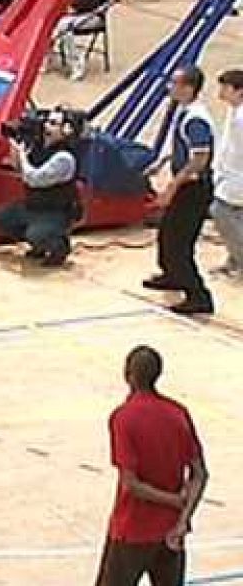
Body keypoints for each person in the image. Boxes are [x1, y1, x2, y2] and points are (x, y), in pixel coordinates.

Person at [95, 345, 207, 586]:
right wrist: (182, 518)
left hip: (132, 530)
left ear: (128, 375)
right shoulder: (178, 413)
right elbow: (200, 474)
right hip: (170, 533)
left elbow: (131, 485)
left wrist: (173, 500)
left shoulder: (124, 417)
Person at [144, 65, 216, 315]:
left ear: (188, 88)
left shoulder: (196, 119)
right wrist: (161, 163)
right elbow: (180, 147)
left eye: (174, 83)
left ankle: (199, 296)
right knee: (166, 233)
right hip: (186, 185)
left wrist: (172, 187)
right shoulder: (184, 111)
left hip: (193, 189)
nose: (169, 87)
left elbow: (200, 159)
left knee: (179, 243)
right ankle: (172, 275)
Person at [0, 107, 82, 267]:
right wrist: (15, 150)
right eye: (47, 121)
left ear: (66, 130)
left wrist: (23, 156)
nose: (46, 126)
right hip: (34, 206)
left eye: (53, 124)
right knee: (0, 218)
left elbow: (34, 179)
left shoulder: (64, 158)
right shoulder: (38, 145)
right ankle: (39, 246)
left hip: (56, 211)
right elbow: (20, 171)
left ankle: (59, 246)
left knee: (37, 233)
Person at [208, 69, 243, 279]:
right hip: (228, 173)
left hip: (237, 177)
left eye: (225, 87)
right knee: (236, 218)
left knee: (221, 212)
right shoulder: (234, 111)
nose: (221, 91)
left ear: (239, 91)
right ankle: (234, 259)